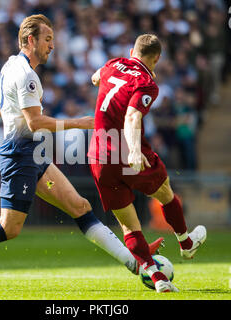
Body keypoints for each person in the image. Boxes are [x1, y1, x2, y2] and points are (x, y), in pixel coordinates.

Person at [0, 15, 163, 291]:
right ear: (31, 40)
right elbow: (35, 122)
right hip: (20, 154)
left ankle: (135, 262)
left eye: (53, 40)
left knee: (80, 206)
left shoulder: (10, 65)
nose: (52, 46)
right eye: (48, 40)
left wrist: (18, 119)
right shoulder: (26, 75)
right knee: (8, 228)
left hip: (32, 152)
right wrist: (81, 122)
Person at [88, 33, 207, 293]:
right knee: (165, 193)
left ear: (132, 51)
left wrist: (101, 78)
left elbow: (95, 76)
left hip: (98, 155)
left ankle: (157, 278)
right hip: (128, 153)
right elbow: (132, 117)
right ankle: (185, 243)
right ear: (157, 59)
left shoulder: (112, 63)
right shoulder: (147, 83)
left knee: (128, 225)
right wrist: (132, 151)